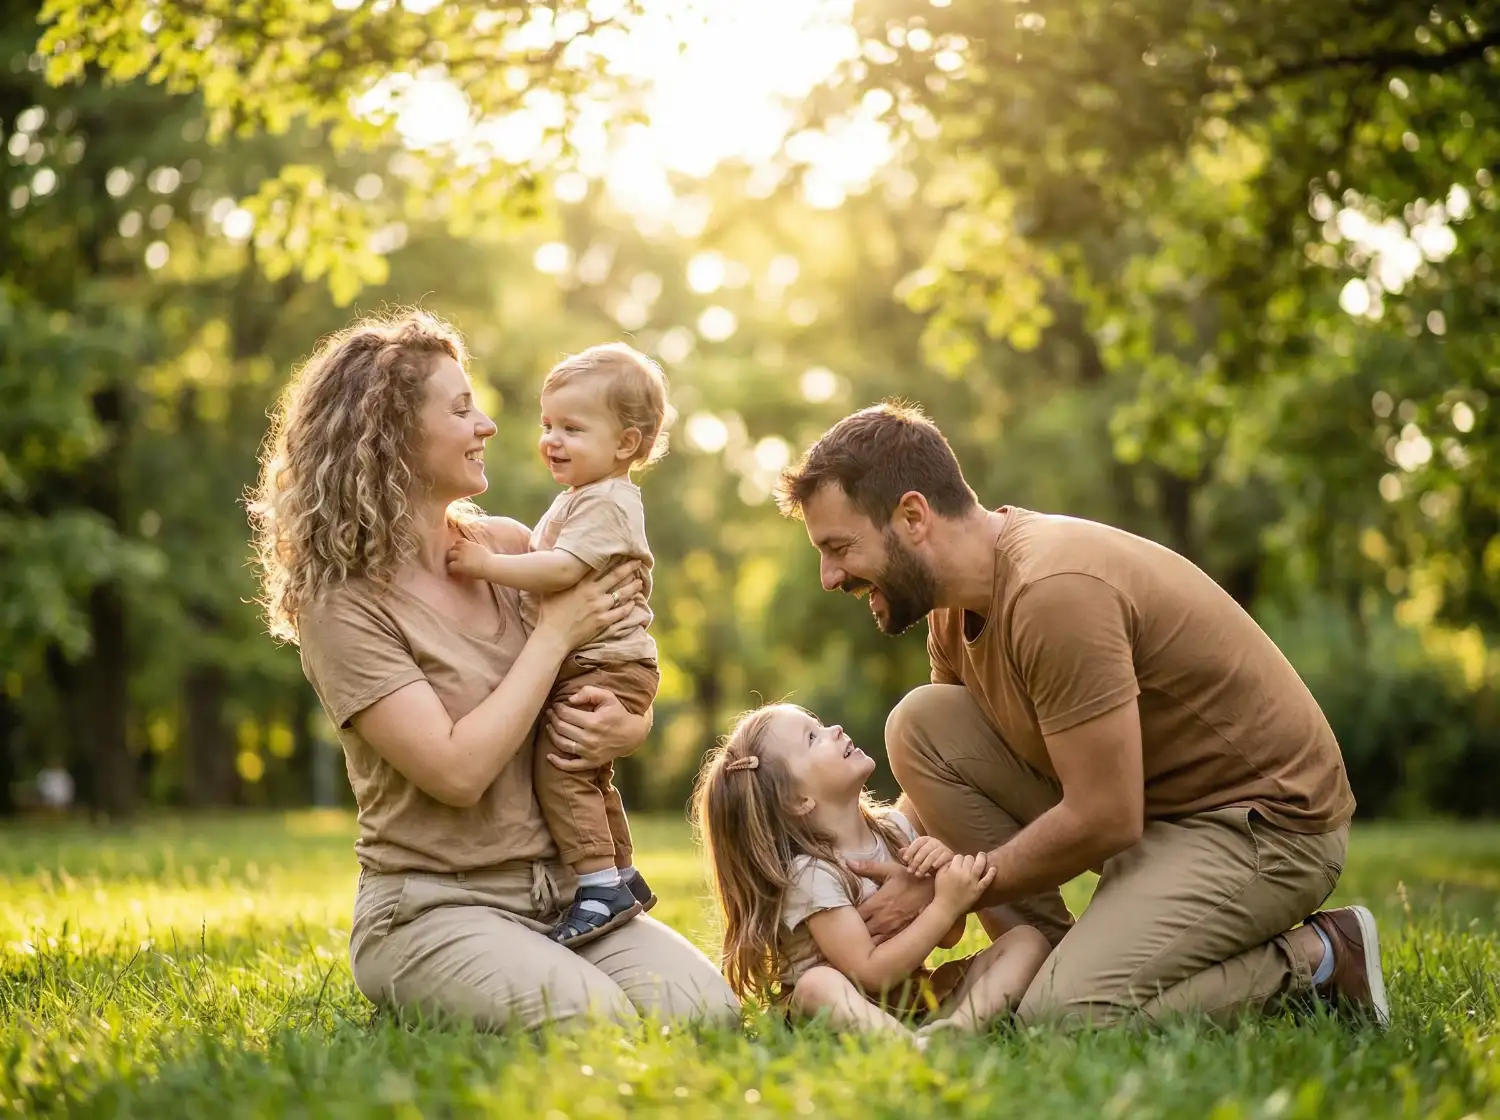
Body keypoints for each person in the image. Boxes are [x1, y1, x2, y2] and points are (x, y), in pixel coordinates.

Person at [774, 401, 1388, 1030]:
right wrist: (895, 866)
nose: (828, 576)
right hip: (1155, 812)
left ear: (912, 517)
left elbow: (1106, 815)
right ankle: (1047, 962)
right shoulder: (952, 608)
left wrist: (943, 890)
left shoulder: (1052, 592)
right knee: (920, 724)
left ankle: (1323, 958)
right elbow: (943, 776)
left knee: (1063, 1018)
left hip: (1262, 825)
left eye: (839, 547)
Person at [249, 310, 738, 1032]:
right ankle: (439, 985)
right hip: (433, 905)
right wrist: (554, 633)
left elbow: (607, 659)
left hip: (562, 895)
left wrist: (627, 728)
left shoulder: (511, 549)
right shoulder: (343, 603)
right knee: (600, 1028)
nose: (488, 425)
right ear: (391, 433)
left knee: (707, 1018)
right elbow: (456, 772)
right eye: (460, 409)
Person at [447, 343, 670, 948]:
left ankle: (597, 887)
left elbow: (563, 569)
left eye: (572, 428)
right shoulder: (584, 496)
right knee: (589, 774)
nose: (551, 440)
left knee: (562, 768)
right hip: (606, 661)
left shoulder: (607, 501)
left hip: (604, 662)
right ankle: (621, 874)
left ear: (625, 443)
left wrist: (486, 564)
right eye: (548, 425)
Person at [693, 702, 1052, 1044]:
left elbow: (948, 936)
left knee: (1027, 941)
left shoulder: (895, 829)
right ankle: (907, 1045)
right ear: (797, 801)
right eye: (812, 738)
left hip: (912, 999)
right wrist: (944, 905)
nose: (834, 729)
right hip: (839, 1014)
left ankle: (954, 1033)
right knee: (817, 984)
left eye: (819, 725)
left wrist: (941, 879)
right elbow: (870, 972)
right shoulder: (811, 873)